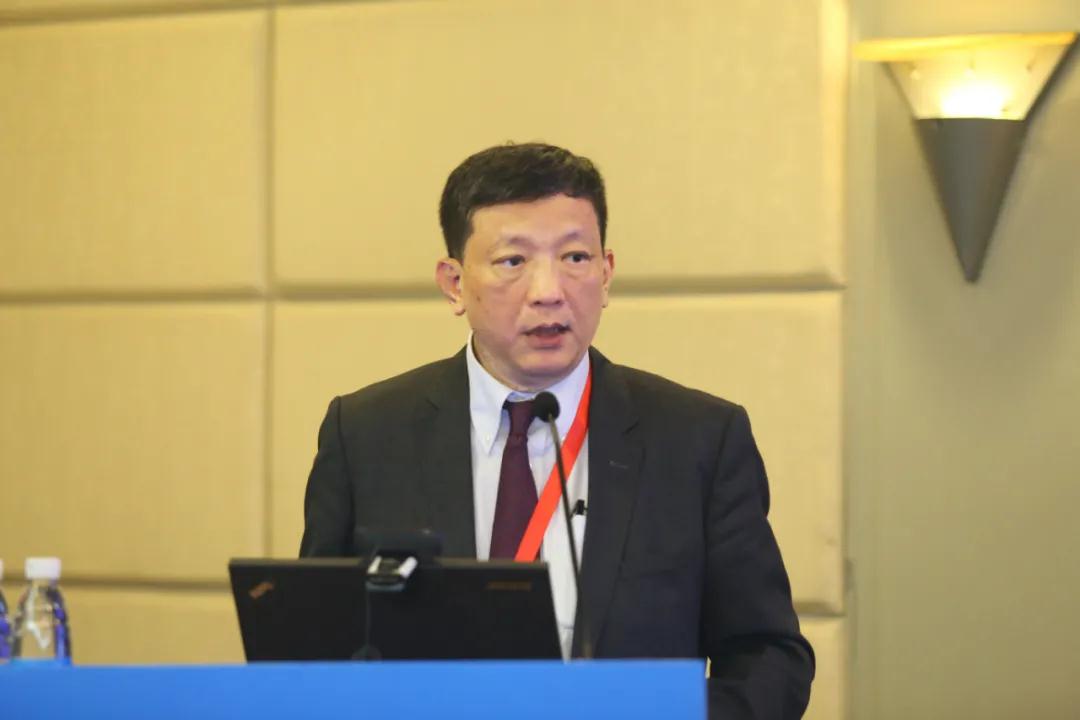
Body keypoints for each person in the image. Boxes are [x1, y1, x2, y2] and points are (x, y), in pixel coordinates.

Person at [300, 142, 815, 718]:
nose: (549, 291)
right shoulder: (366, 435)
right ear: (453, 283)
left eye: (574, 257)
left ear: (607, 272)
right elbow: (311, 651)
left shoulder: (699, 440)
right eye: (512, 261)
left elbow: (768, 657)